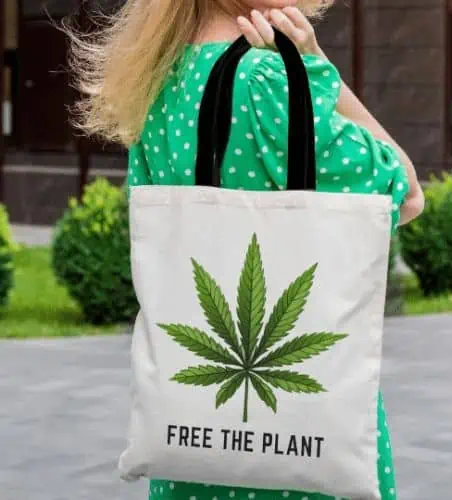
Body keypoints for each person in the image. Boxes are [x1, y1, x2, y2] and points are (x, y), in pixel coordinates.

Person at [68, 1, 425, 499]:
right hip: (303, 452)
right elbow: (406, 192)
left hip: (191, 442)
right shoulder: (266, 79)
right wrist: (319, 70)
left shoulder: (155, 80)